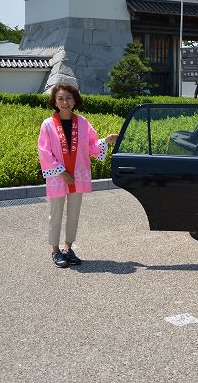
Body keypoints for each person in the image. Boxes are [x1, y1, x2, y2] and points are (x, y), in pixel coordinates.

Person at [38, 82, 119, 268]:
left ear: (75, 100)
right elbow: (44, 151)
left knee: (74, 214)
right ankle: (55, 251)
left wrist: (106, 141)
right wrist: (61, 171)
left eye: (68, 98)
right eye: (60, 99)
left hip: (78, 175)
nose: (65, 102)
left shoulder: (82, 123)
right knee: (55, 214)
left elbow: (91, 146)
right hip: (58, 177)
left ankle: (68, 247)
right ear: (55, 102)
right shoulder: (48, 125)